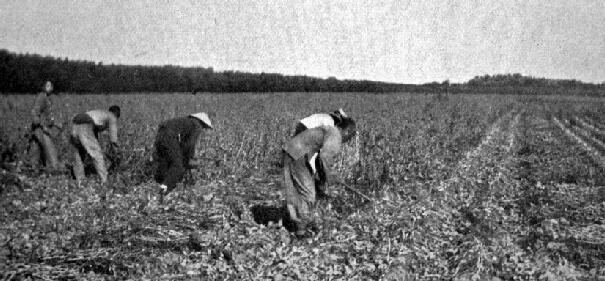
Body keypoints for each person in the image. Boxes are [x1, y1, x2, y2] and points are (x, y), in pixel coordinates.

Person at [282, 117, 356, 237]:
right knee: (308, 194)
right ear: (347, 132)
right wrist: (332, 176)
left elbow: (318, 160)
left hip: (292, 151)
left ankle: (299, 222)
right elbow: (325, 157)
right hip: (298, 154)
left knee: (298, 192)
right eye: (350, 137)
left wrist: (323, 179)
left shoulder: (329, 131)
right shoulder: (336, 135)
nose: (347, 140)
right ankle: (300, 231)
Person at [153, 112, 213, 201]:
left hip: (160, 135)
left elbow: (182, 144)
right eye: (204, 127)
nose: (203, 128)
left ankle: (158, 184)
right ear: (202, 122)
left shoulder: (185, 122)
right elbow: (189, 144)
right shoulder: (196, 125)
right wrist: (189, 158)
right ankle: (163, 190)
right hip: (169, 137)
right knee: (178, 166)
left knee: (165, 161)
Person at [293, 108, 350, 198]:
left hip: (302, 130)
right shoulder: (329, 123)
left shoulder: (322, 117)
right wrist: (330, 176)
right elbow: (323, 155)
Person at [69, 106, 121, 184]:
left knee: (79, 153)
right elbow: (113, 140)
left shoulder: (100, 114)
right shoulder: (112, 116)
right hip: (85, 124)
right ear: (116, 114)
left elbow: (94, 131)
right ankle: (105, 181)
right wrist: (116, 153)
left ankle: (80, 180)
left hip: (74, 124)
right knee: (97, 155)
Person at [29, 81, 60, 172]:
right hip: (40, 128)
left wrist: (56, 124)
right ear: (43, 87)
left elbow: (48, 116)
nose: (50, 87)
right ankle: (55, 171)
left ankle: (35, 170)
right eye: (48, 85)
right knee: (50, 150)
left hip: (41, 127)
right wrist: (43, 126)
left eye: (51, 85)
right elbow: (35, 114)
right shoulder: (41, 97)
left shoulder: (47, 98)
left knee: (37, 150)